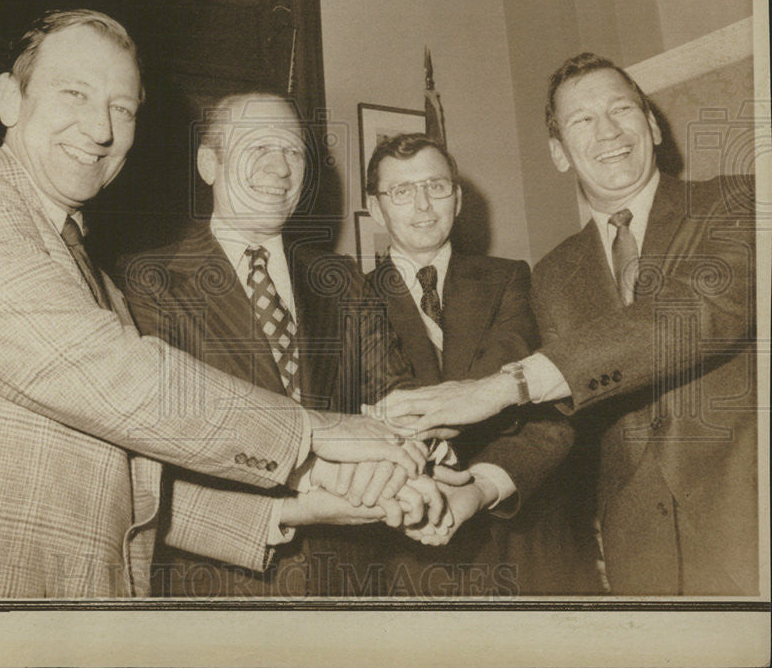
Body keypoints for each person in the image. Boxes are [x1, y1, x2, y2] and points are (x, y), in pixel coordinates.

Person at [0, 9, 423, 598]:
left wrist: (295, 510)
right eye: (74, 93)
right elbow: (107, 375)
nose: (100, 129)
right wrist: (312, 435)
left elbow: (133, 481)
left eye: (122, 109)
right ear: (9, 99)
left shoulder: (100, 285)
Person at [375, 53, 757, 595]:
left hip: (749, 523)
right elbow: (558, 419)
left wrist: (501, 387)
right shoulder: (554, 273)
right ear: (558, 154)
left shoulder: (739, 202)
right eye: (582, 120)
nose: (608, 131)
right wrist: (479, 489)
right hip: (638, 554)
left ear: (651, 124)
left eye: (621, 109)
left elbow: (691, 315)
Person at [121, 94, 448, 596]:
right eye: (258, 148)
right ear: (210, 163)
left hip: (352, 574)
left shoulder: (340, 278)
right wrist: (315, 470)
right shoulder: (149, 282)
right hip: (218, 584)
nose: (279, 168)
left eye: (294, 153)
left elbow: (397, 401)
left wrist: (389, 463)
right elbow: (166, 434)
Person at [361, 133, 590, 595]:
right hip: (411, 544)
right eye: (402, 191)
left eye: (437, 187)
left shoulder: (511, 277)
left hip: (525, 533)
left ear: (459, 197)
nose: (424, 206)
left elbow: (522, 382)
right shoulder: (349, 297)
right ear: (374, 205)